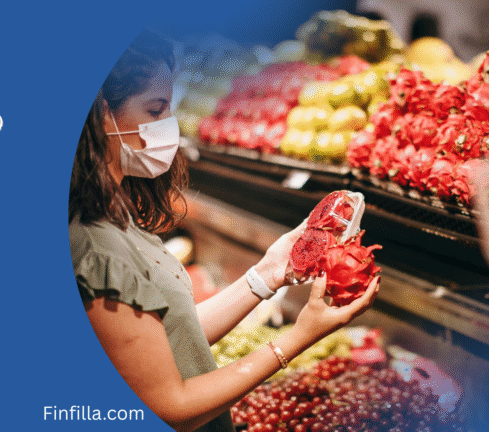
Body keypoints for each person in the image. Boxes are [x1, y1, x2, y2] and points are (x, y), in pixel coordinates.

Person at [68, 30, 380, 432]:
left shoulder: (112, 216)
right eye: (155, 109)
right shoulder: (96, 246)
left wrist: (266, 276)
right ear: (101, 116)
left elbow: (169, 338)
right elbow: (171, 408)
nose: (170, 125)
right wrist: (299, 336)